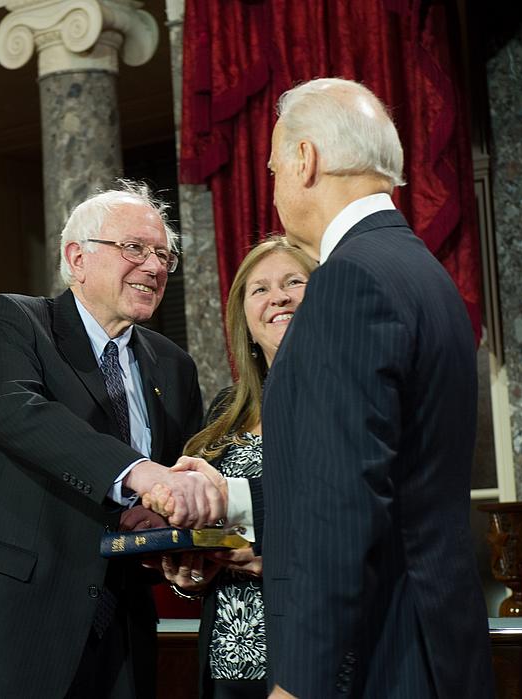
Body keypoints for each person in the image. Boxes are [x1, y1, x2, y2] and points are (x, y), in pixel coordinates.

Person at [0, 181, 225, 698]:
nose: (155, 267)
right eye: (135, 249)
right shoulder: (15, 322)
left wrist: (175, 548)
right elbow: (19, 413)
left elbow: (172, 483)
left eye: (163, 254)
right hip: (14, 628)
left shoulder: (174, 364)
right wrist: (137, 474)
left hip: (121, 637)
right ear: (77, 258)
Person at [261, 78, 495, 698]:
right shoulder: (424, 272)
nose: (275, 184)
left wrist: (300, 684)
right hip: (438, 640)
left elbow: (344, 500)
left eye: (275, 164)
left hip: (383, 654)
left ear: (306, 159)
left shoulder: (349, 281)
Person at [159, 237, 316, 699]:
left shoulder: (343, 400)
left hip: (309, 651)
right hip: (230, 655)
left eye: (294, 282)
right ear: (244, 318)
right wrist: (192, 571)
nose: (278, 297)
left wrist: (276, 561)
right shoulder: (226, 408)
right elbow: (214, 528)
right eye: (259, 290)